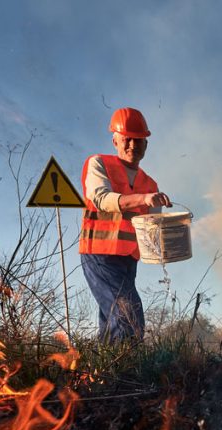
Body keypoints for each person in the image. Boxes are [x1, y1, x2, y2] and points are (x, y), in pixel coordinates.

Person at [80, 107, 171, 342]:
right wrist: (142, 199)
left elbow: (152, 232)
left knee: (113, 321)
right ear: (115, 140)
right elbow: (101, 199)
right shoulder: (98, 164)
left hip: (128, 261)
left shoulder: (150, 183)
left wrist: (170, 237)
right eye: (126, 139)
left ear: (146, 144)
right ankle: (126, 375)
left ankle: (104, 375)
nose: (132, 145)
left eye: (138, 140)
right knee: (128, 317)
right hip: (99, 256)